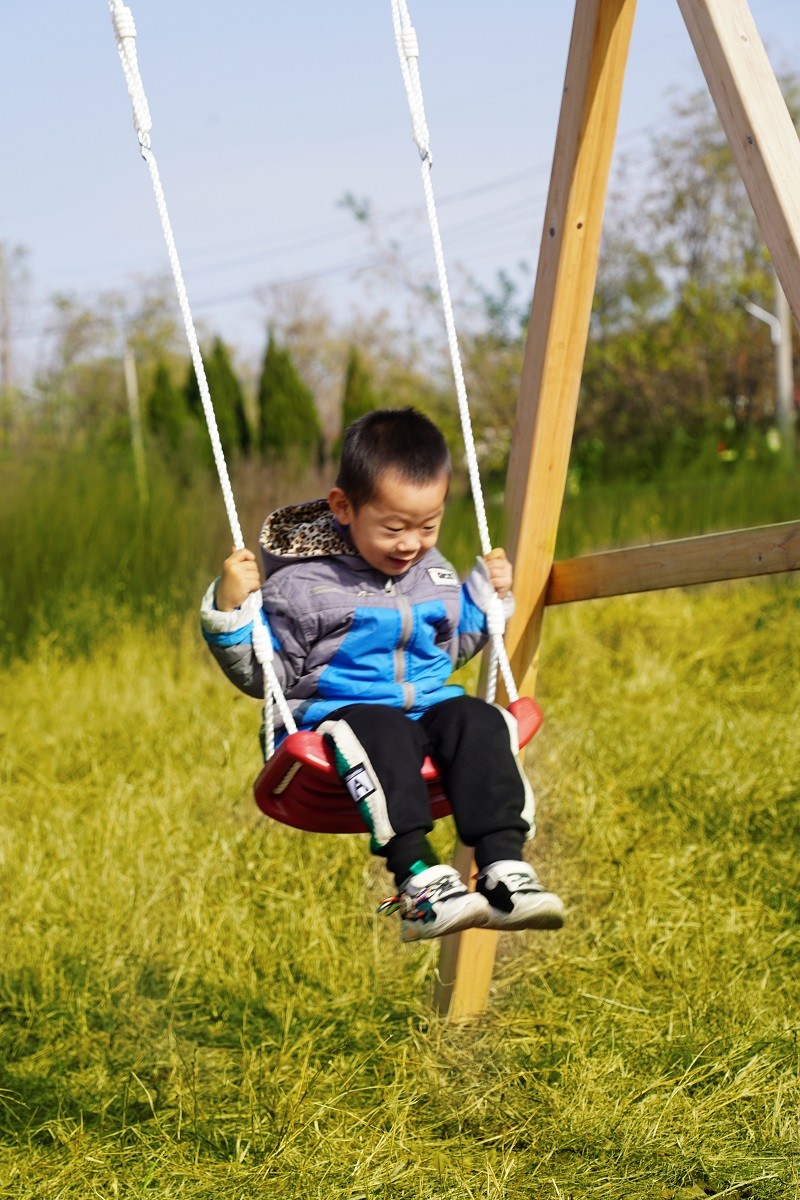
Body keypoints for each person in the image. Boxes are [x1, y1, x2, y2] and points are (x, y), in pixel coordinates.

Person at [200, 408, 565, 942]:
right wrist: (230, 613)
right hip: (335, 724)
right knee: (384, 728)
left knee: (477, 717)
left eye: (428, 526)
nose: (411, 544)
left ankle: (504, 868)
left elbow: (447, 651)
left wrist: (484, 602)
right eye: (393, 527)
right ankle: (417, 880)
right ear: (343, 507)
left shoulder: (430, 573)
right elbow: (265, 675)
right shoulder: (303, 587)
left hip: (424, 712)